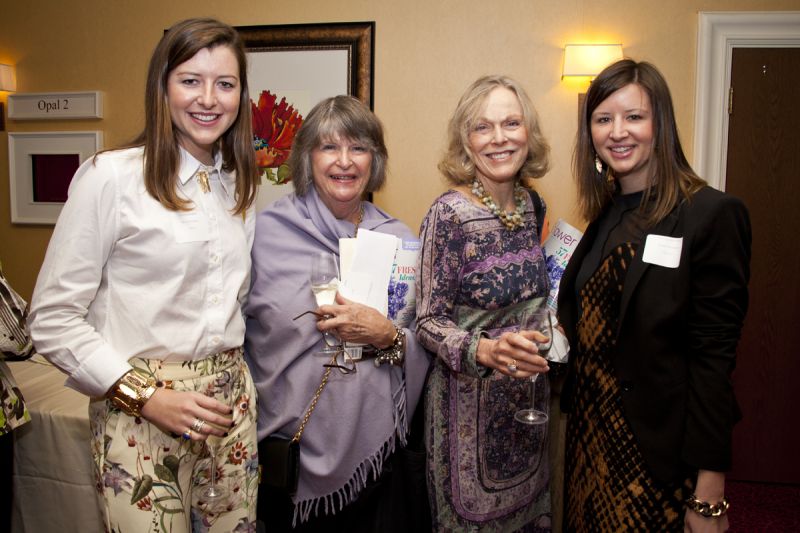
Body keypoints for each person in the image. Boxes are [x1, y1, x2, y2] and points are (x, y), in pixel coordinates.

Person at [29, 18, 260, 532]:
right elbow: (49, 319)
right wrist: (149, 397)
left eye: (225, 84)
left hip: (231, 408)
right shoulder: (111, 177)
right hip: (141, 411)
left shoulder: (238, 187)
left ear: (241, 96)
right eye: (190, 80)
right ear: (163, 86)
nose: (209, 98)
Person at [557, 59, 751, 532]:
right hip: (588, 447)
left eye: (634, 117)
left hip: (654, 458)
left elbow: (713, 362)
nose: (617, 131)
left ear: (660, 123)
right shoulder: (604, 215)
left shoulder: (710, 214)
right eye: (603, 119)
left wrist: (710, 494)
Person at [244, 95, 431, 532]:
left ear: (375, 161)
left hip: (375, 461)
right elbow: (235, 332)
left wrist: (387, 335)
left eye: (359, 148)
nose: (344, 162)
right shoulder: (265, 234)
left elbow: (423, 343)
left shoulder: (399, 242)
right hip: (285, 446)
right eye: (329, 147)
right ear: (307, 157)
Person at [416, 75, 553, 531]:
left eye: (511, 123)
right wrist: (483, 350)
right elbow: (428, 320)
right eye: (482, 127)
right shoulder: (448, 214)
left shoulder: (533, 205)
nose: (499, 138)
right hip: (465, 417)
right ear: (465, 141)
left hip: (527, 406)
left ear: (528, 132)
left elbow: (532, 298)